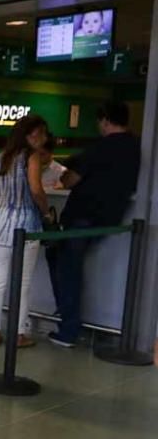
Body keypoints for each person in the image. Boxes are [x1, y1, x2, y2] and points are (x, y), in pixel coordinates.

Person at [47, 100, 140, 347]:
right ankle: (67, 317)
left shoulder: (99, 148)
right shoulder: (136, 146)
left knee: (65, 266)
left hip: (82, 217)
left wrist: (64, 177)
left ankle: (68, 328)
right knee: (64, 262)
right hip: (110, 217)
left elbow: (69, 180)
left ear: (105, 120)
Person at [0, 115, 51, 348]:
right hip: (26, 225)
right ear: (28, 134)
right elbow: (36, 189)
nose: (42, 138)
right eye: (39, 133)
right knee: (22, 283)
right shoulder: (30, 157)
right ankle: (19, 334)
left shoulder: (0, 157)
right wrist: (46, 212)